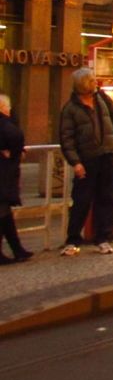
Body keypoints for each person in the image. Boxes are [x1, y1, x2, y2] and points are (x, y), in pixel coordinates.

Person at [59, 68, 113, 256]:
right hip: (87, 159)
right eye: (93, 80)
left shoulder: (101, 99)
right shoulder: (71, 109)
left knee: (106, 198)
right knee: (81, 200)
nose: (96, 83)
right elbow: (66, 138)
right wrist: (75, 162)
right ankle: (73, 240)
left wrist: (109, 137)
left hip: (106, 155)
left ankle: (102, 238)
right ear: (84, 84)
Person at [0, 94, 31, 263]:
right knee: (3, 212)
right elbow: (16, 137)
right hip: (4, 174)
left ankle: (18, 249)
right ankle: (17, 250)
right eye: (8, 107)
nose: (9, 110)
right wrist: (16, 151)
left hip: (5, 174)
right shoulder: (6, 124)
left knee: (4, 212)